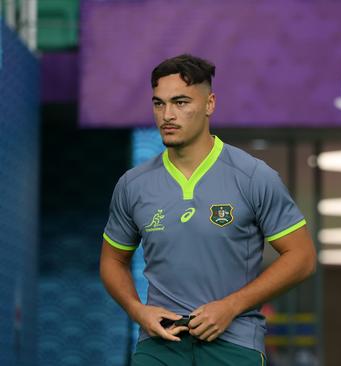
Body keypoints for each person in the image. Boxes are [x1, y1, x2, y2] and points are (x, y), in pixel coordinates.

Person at [99, 54, 316, 365]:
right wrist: (137, 310)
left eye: (181, 102)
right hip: (159, 345)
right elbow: (112, 260)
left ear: (209, 104)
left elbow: (302, 257)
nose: (167, 115)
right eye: (159, 104)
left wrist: (230, 306)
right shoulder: (133, 185)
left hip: (234, 343)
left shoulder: (253, 176)